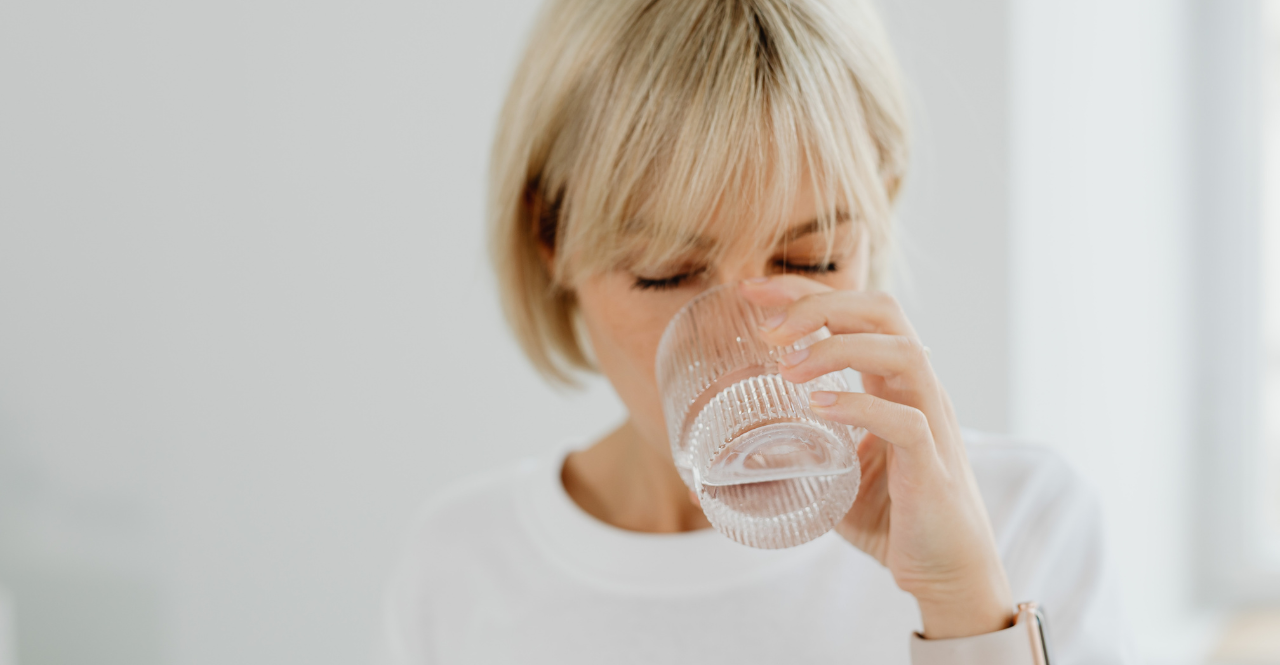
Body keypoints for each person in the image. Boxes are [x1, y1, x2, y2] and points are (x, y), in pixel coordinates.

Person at [381, 0, 1133, 662]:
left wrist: (965, 610)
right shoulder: (463, 565)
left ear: (877, 210)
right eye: (666, 271)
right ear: (552, 241)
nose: (758, 341)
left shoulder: (1023, 519)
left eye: (813, 259)